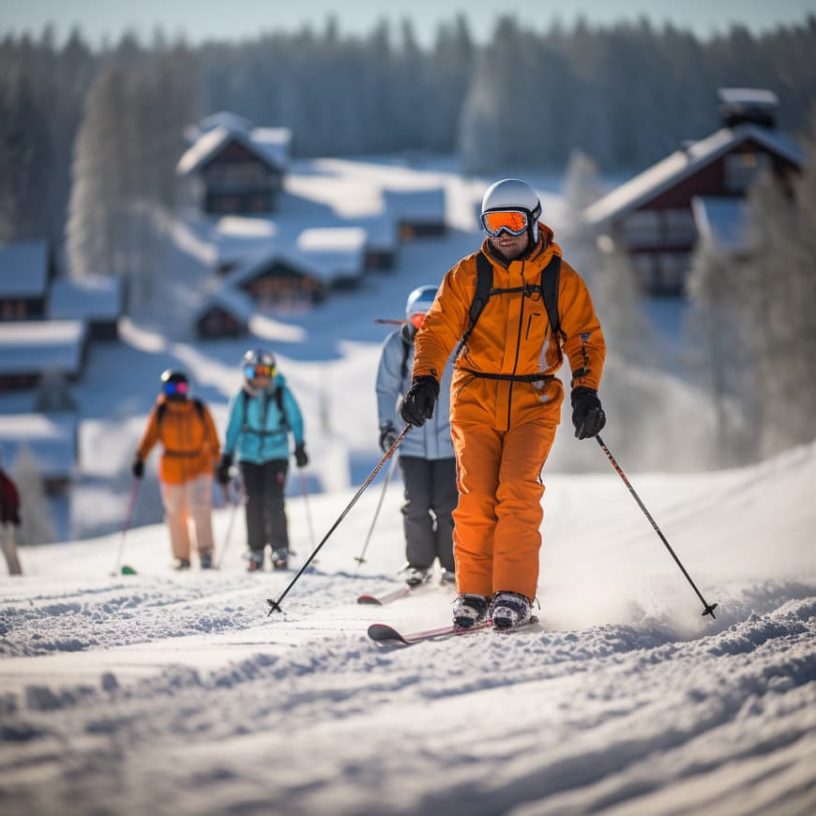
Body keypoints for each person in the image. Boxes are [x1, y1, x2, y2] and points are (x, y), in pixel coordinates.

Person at [400, 178, 607, 630]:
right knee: (475, 497)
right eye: (494, 224)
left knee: (517, 492)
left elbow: (584, 336)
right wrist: (425, 382)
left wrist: (586, 390)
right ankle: (473, 592)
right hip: (475, 393)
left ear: (533, 222)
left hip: (535, 397)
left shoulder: (559, 279)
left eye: (513, 222)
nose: (504, 233)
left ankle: (514, 592)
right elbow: (437, 331)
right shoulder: (468, 275)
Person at [377, 285, 457, 587]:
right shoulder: (396, 347)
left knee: (450, 505)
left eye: (432, 318)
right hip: (411, 438)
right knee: (416, 504)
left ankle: (453, 564)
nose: (425, 326)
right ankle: (419, 564)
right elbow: (385, 389)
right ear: (409, 319)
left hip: (451, 442)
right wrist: (386, 426)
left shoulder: (457, 344)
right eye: (418, 319)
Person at [218, 349, 308, 572]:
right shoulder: (243, 396)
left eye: (264, 371)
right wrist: (227, 455)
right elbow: (234, 425)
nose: (260, 377)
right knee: (253, 500)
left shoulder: (281, 392)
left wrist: (299, 445)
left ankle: (280, 548)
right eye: (254, 371)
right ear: (246, 373)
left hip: (276, 453)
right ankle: (255, 549)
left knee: (274, 499)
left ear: (271, 372)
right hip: (249, 455)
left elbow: (295, 418)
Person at [132, 370, 221, 570]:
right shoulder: (161, 411)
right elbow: (150, 437)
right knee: (176, 513)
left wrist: (219, 460)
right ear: (164, 389)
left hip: (199, 464)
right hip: (172, 468)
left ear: (188, 389)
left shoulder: (198, 408)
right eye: (171, 388)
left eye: (181, 388)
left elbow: (212, 435)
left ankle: (205, 552)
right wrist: (140, 457)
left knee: (200, 507)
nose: (176, 392)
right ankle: (181, 557)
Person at [0, 462, 23, 576]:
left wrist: (8, 517)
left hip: (5, 522)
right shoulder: (5, 480)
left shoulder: (3, 481)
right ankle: (16, 573)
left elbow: (12, 499)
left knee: (8, 549)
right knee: (8, 549)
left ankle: (16, 574)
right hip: (6, 520)